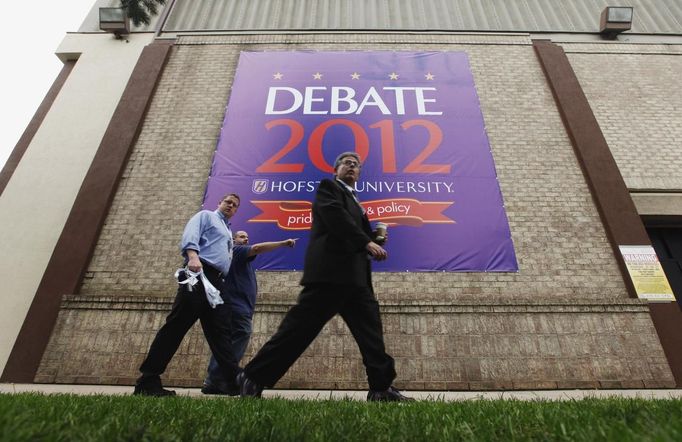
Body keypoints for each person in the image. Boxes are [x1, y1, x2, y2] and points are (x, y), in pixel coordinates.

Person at [237, 152, 413, 401]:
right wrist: (366, 242)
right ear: (336, 170)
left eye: (356, 165)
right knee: (298, 331)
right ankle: (252, 377)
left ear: (359, 173)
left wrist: (373, 239)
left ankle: (381, 388)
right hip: (330, 276)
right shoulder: (328, 188)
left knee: (371, 334)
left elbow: (351, 231)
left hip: (356, 280)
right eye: (346, 163)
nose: (352, 167)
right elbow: (335, 217)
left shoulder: (356, 201)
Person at [133, 194, 242, 396]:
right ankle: (147, 381)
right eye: (228, 202)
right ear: (219, 202)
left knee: (221, 332)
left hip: (217, 283)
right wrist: (192, 256)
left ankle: (234, 382)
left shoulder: (228, 230)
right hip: (199, 273)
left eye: (235, 205)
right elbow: (191, 234)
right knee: (176, 325)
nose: (231, 206)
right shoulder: (206, 216)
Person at [201, 231, 297, 395]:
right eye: (242, 237)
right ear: (233, 240)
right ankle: (219, 378)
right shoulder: (236, 251)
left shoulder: (241, 260)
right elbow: (258, 248)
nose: (246, 239)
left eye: (247, 237)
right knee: (241, 333)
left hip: (240, 307)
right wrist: (284, 243)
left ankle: (214, 380)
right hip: (236, 307)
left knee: (227, 342)